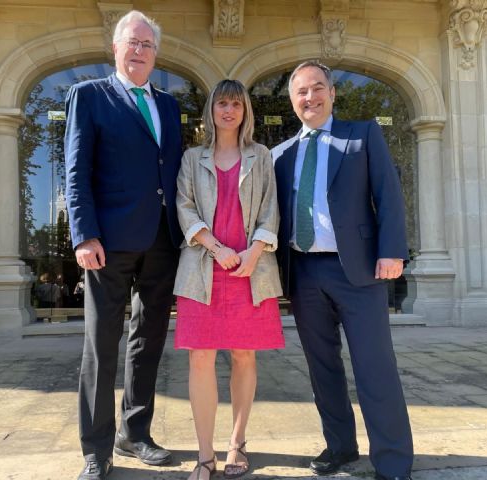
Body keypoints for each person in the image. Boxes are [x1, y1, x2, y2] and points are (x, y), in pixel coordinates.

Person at [272, 60, 413, 480]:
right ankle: (340, 447)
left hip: (359, 272)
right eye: (301, 91)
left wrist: (392, 252)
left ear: (332, 93)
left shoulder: (363, 134)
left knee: (375, 367)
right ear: (293, 100)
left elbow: (389, 195)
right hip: (303, 273)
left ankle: (392, 462)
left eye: (318, 88)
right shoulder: (281, 155)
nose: (310, 97)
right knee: (322, 368)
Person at [64, 10, 183, 480]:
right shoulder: (88, 96)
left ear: (156, 53)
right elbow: (76, 171)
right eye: (131, 42)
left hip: (162, 239)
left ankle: (135, 434)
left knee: (148, 339)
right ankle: (96, 449)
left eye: (147, 45)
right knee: (101, 342)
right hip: (107, 242)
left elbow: (170, 172)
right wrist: (83, 234)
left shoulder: (170, 105)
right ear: (115, 48)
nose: (139, 50)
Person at [174, 79, 284, 480]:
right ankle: (205, 454)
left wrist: (253, 253)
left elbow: (271, 209)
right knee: (200, 358)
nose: (228, 110)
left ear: (245, 111)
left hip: (250, 272)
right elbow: (183, 207)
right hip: (203, 268)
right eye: (222, 103)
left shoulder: (262, 156)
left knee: (243, 355)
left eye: (236, 104)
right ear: (212, 110)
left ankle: (237, 442)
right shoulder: (191, 158)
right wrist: (216, 248)